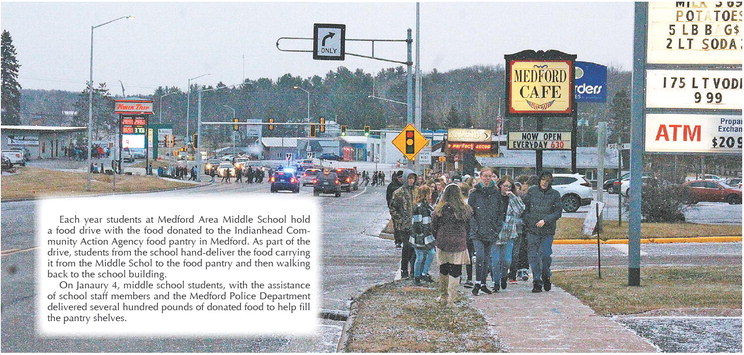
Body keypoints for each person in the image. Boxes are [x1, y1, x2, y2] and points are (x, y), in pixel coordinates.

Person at [432, 183, 472, 306]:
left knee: (444, 269)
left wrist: (438, 237)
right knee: (456, 270)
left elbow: (434, 226)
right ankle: (452, 299)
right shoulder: (465, 209)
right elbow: (468, 226)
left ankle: (443, 295)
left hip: (443, 241)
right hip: (459, 242)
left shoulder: (440, 209)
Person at [523, 171, 563, 293]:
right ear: (539, 180)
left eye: (547, 180)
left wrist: (546, 220)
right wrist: (528, 220)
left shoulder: (555, 194)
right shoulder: (532, 191)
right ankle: (536, 281)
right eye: (543, 179)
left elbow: (558, 212)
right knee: (533, 256)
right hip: (532, 229)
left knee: (545, 255)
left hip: (547, 231)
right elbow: (525, 208)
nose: (544, 182)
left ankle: (546, 275)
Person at [467, 167, 504, 296]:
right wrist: (474, 227)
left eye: (490, 176)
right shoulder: (475, 193)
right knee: (480, 256)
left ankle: (483, 283)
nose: (487, 179)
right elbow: (470, 213)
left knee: (487, 258)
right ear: (481, 177)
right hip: (477, 230)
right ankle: (477, 282)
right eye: (485, 176)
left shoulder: (496, 193)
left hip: (491, 230)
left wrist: (497, 227)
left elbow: (500, 213)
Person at [493, 175, 525, 291]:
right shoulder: (494, 197)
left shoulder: (513, 198)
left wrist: (512, 196)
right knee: (496, 261)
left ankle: (504, 276)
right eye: (505, 185)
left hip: (509, 233)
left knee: (507, 260)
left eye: (509, 186)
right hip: (496, 234)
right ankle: (496, 282)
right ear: (500, 185)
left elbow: (520, 210)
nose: (507, 188)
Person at [389, 170, 418, 280]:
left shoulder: (417, 191)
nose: (411, 180)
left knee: (415, 249)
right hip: (404, 226)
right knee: (407, 247)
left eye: (412, 178)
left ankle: (414, 271)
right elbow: (393, 208)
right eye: (409, 178)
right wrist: (399, 220)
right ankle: (404, 270)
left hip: (416, 225)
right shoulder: (398, 193)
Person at [410, 185, 436, 285]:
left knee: (426, 254)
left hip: (424, 235)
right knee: (422, 256)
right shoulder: (420, 207)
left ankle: (421, 273)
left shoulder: (425, 206)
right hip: (421, 236)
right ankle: (419, 275)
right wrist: (422, 233)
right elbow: (417, 223)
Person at [386, 170, 405, 248]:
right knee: (397, 225)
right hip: (396, 209)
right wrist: (391, 207)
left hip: (405, 209)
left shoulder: (406, 185)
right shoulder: (392, 186)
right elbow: (388, 197)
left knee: (405, 226)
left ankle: (405, 240)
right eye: (400, 177)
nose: (401, 179)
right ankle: (398, 241)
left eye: (402, 177)